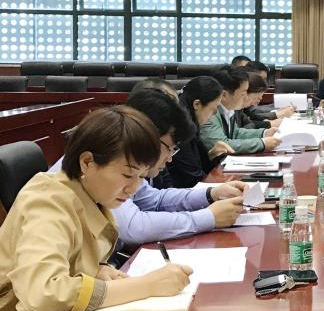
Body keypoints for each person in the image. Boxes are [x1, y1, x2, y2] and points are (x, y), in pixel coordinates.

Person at [0, 106, 213, 311]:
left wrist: (98, 269)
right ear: (87, 161)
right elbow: (44, 295)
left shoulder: (87, 193)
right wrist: (146, 286)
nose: (133, 188)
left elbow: (68, 256)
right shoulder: (48, 200)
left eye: (140, 177)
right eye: (127, 174)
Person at [50, 88, 246, 248]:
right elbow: (132, 228)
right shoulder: (104, 162)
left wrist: (211, 194)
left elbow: (154, 200)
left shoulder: (126, 166)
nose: (170, 158)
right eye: (169, 148)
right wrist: (208, 218)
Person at [161, 77, 230, 189]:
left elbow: (199, 168)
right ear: (197, 104)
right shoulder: (179, 128)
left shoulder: (192, 125)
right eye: (214, 107)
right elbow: (193, 178)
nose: (215, 113)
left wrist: (212, 155)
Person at [200, 65, 280, 155]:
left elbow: (236, 133)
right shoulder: (209, 113)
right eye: (243, 93)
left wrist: (264, 133)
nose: (246, 97)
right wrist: (262, 143)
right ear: (224, 95)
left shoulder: (228, 109)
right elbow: (222, 145)